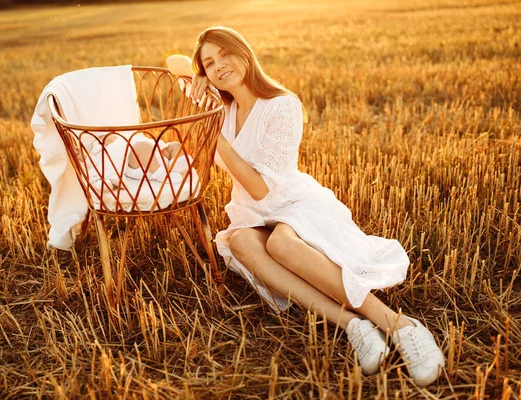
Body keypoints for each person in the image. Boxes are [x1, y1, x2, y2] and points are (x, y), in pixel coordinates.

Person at [166, 26, 445, 387]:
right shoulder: (223, 108)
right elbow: (172, 63)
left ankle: (399, 326)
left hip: (292, 204)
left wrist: (214, 135)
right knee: (240, 242)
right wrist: (196, 77)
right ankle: (354, 326)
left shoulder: (281, 105)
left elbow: (260, 186)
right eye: (209, 62)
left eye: (225, 54)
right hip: (251, 213)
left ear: (244, 53)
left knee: (281, 243)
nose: (219, 65)